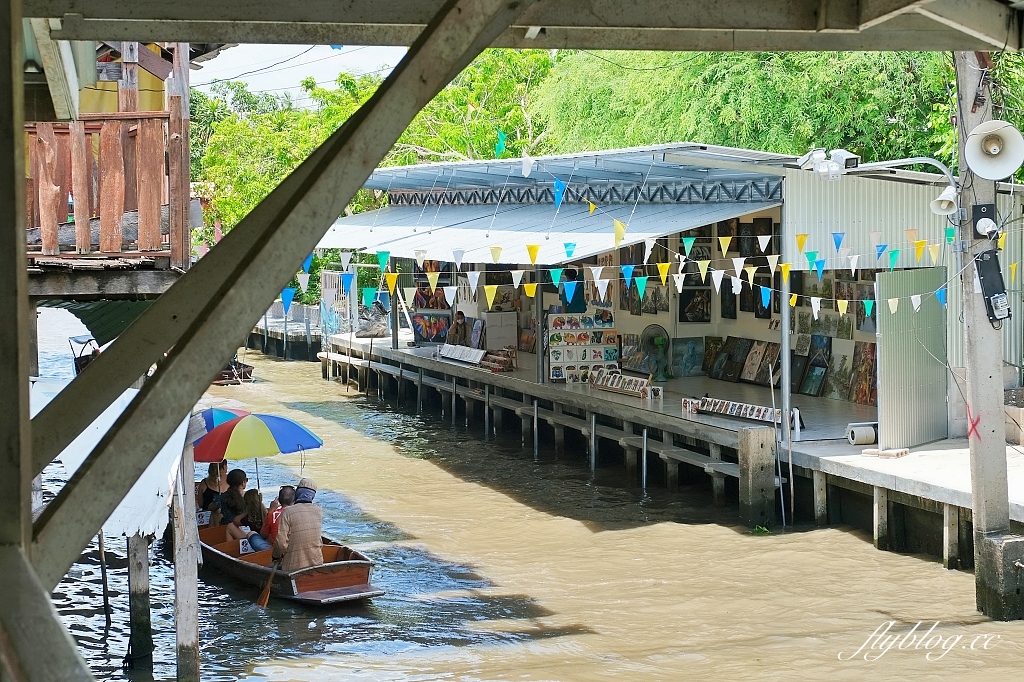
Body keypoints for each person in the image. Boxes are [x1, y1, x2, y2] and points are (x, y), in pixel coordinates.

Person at [272, 477, 323, 571]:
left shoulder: (287, 511)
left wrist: (275, 557)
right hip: (317, 564)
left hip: (293, 567)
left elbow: (280, 544)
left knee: (269, 568)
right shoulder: (318, 510)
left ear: (298, 492)